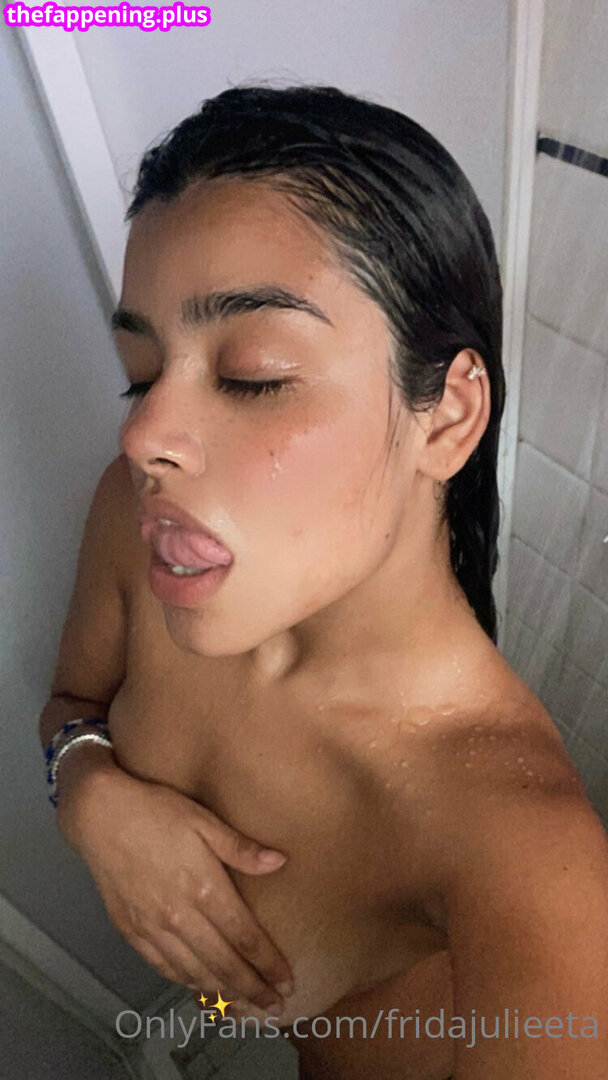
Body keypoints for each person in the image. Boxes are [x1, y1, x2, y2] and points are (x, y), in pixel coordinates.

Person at [39, 85, 608, 1079]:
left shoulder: (519, 852)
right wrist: (89, 792)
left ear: (446, 418)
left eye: (253, 375)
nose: (142, 436)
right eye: (142, 370)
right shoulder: (139, 526)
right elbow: (72, 701)